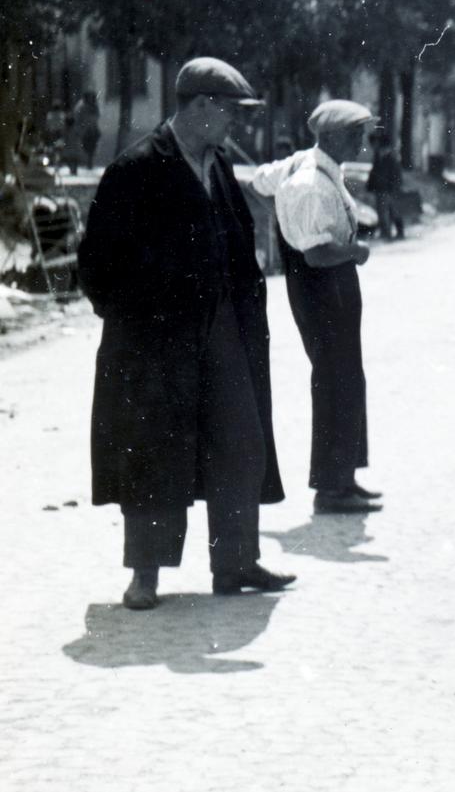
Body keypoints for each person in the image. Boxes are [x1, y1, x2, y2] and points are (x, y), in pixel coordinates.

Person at [78, 57, 294, 610]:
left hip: (221, 326)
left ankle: (236, 563)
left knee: (240, 440)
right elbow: (97, 266)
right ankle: (145, 575)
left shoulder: (217, 164)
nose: (235, 126)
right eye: (230, 113)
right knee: (155, 450)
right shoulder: (136, 168)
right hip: (157, 339)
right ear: (199, 107)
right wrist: (142, 324)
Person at [252, 100, 381, 514]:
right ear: (330, 136)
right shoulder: (310, 181)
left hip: (331, 279)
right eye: (354, 135)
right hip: (322, 282)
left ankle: (344, 475)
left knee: (348, 376)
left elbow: (260, 180)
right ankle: (330, 487)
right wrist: (354, 251)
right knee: (334, 379)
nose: (361, 142)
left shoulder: (313, 166)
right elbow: (316, 255)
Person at [366, 127, 405, 240]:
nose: (373, 147)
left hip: (388, 189)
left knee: (391, 211)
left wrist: (395, 187)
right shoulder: (378, 157)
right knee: (385, 211)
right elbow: (374, 173)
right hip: (381, 188)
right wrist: (370, 186)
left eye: (374, 144)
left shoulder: (390, 157)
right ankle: (387, 233)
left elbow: (395, 173)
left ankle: (393, 233)